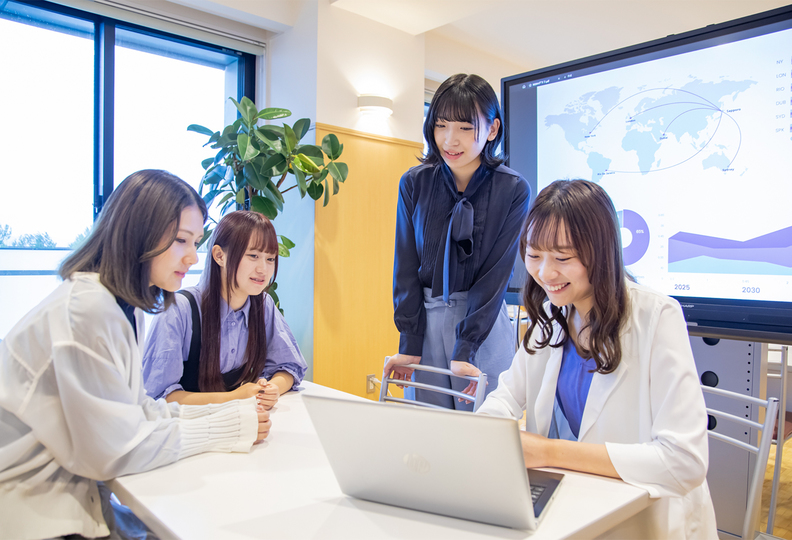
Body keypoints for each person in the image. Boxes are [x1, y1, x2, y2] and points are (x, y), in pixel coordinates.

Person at [0, 170, 271, 540]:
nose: (193, 256)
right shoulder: (86, 309)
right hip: (33, 510)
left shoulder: (121, 306)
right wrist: (230, 424)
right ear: (138, 234)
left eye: (195, 242)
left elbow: (139, 410)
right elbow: (116, 449)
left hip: (74, 497)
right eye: (181, 240)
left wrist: (232, 413)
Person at [477, 179, 717, 538]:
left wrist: (547, 452)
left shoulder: (657, 316)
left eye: (562, 258)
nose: (545, 273)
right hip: (573, 508)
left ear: (601, 252)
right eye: (533, 255)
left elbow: (684, 462)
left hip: (643, 520)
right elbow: (506, 397)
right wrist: (487, 432)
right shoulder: (552, 313)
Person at [385, 73, 531, 410]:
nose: (450, 139)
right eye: (441, 125)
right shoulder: (413, 183)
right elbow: (405, 266)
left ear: (492, 129)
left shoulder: (514, 189)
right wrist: (409, 341)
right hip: (426, 320)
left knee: (485, 433)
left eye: (466, 128)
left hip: (484, 322)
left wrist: (466, 347)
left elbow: (496, 273)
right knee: (427, 435)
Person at [142, 210, 306, 408]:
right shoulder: (178, 310)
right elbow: (159, 397)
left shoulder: (263, 305)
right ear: (219, 256)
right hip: (185, 431)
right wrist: (235, 398)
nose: (263, 269)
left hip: (239, 421)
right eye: (253, 256)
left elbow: (289, 366)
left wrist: (271, 389)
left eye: (270, 259)